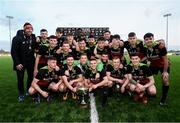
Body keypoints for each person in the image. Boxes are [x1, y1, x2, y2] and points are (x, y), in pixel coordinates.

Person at [11, 22, 36, 102]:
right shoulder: (17, 38)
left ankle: (28, 90)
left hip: (31, 62)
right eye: (28, 28)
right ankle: (21, 93)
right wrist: (17, 63)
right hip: (20, 63)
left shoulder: (33, 37)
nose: (30, 30)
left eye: (31, 28)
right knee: (20, 79)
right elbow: (13, 52)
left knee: (30, 77)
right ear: (24, 29)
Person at [143, 33, 170, 105]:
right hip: (153, 65)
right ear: (144, 41)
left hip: (163, 65)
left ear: (153, 39)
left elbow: (165, 60)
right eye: (147, 39)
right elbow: (146, 57)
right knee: (146, 77)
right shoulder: (144, 48)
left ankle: (163, 99)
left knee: (165, 79)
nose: (149, 41)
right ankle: (148, 93)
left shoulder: (160, 46)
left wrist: (165, 71)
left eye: (150, 39)